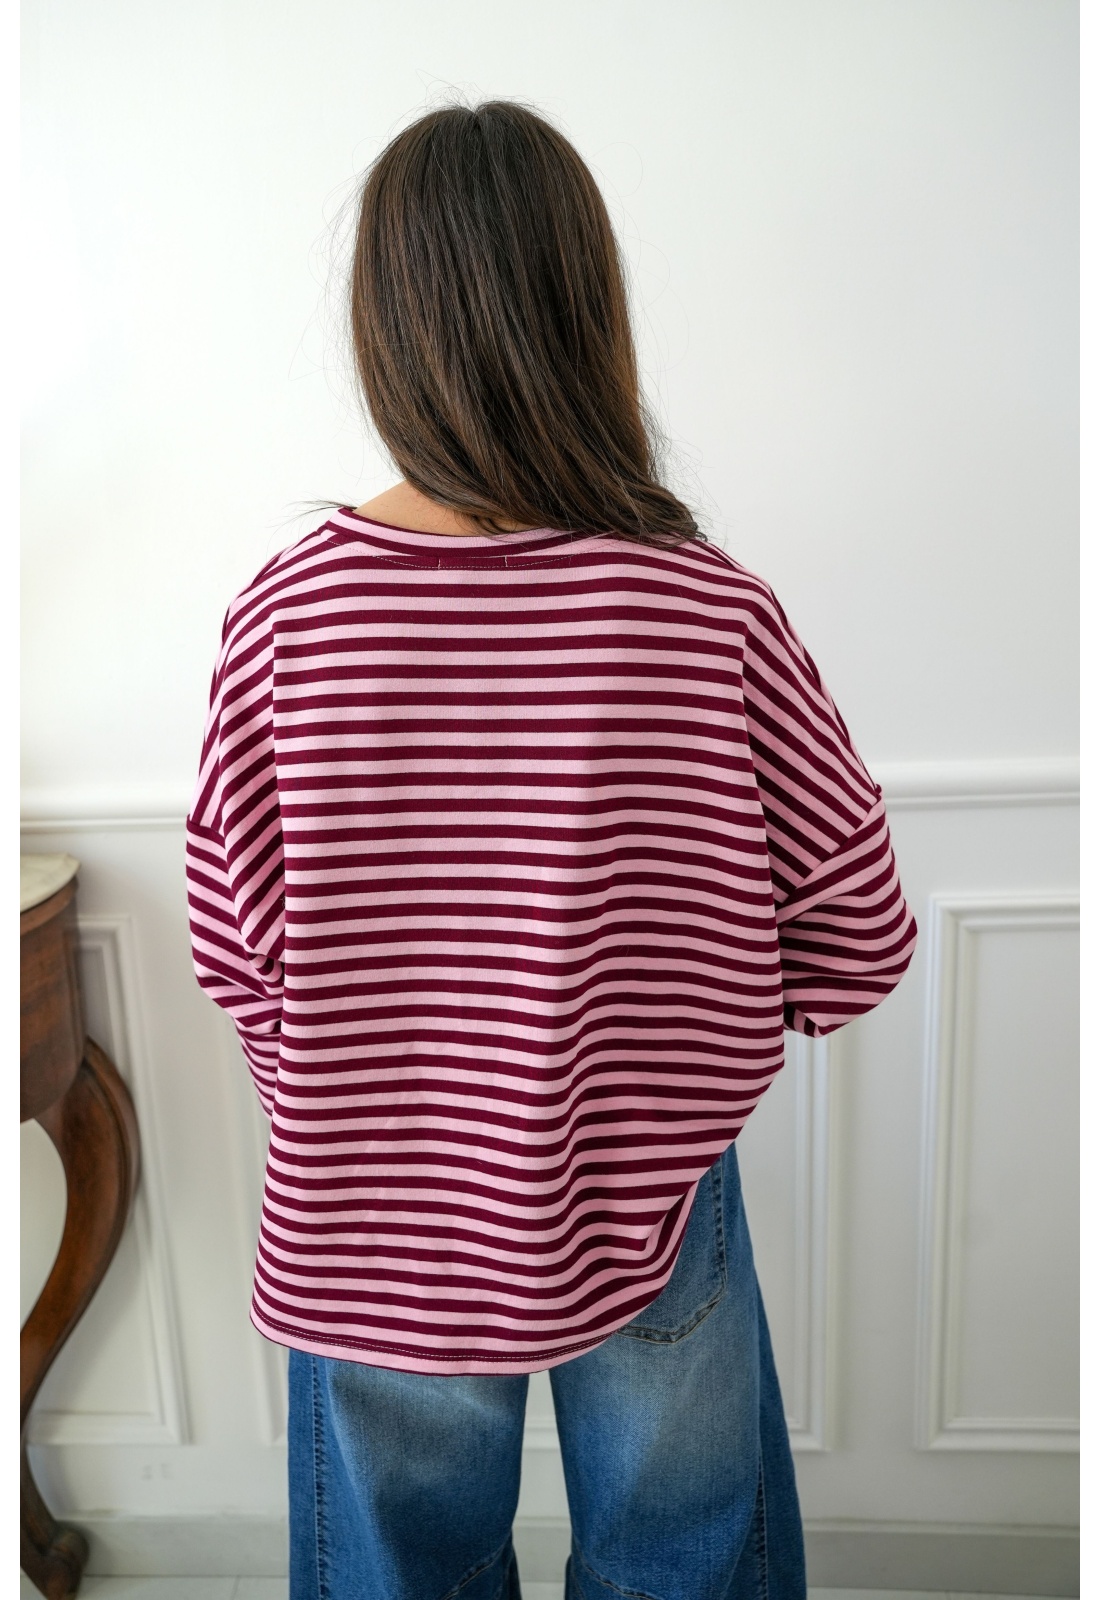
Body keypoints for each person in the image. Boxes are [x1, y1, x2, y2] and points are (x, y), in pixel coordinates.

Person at [185, 100, 917, 1600]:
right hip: (652, 1188)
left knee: (397, 1575)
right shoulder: (704, 607)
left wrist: (368, 1081)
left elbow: (232, 944)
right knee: (679, 1565)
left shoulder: (287, 618)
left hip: (370, 1206)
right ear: (590, 315)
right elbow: (858, 928)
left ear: (386, 329)